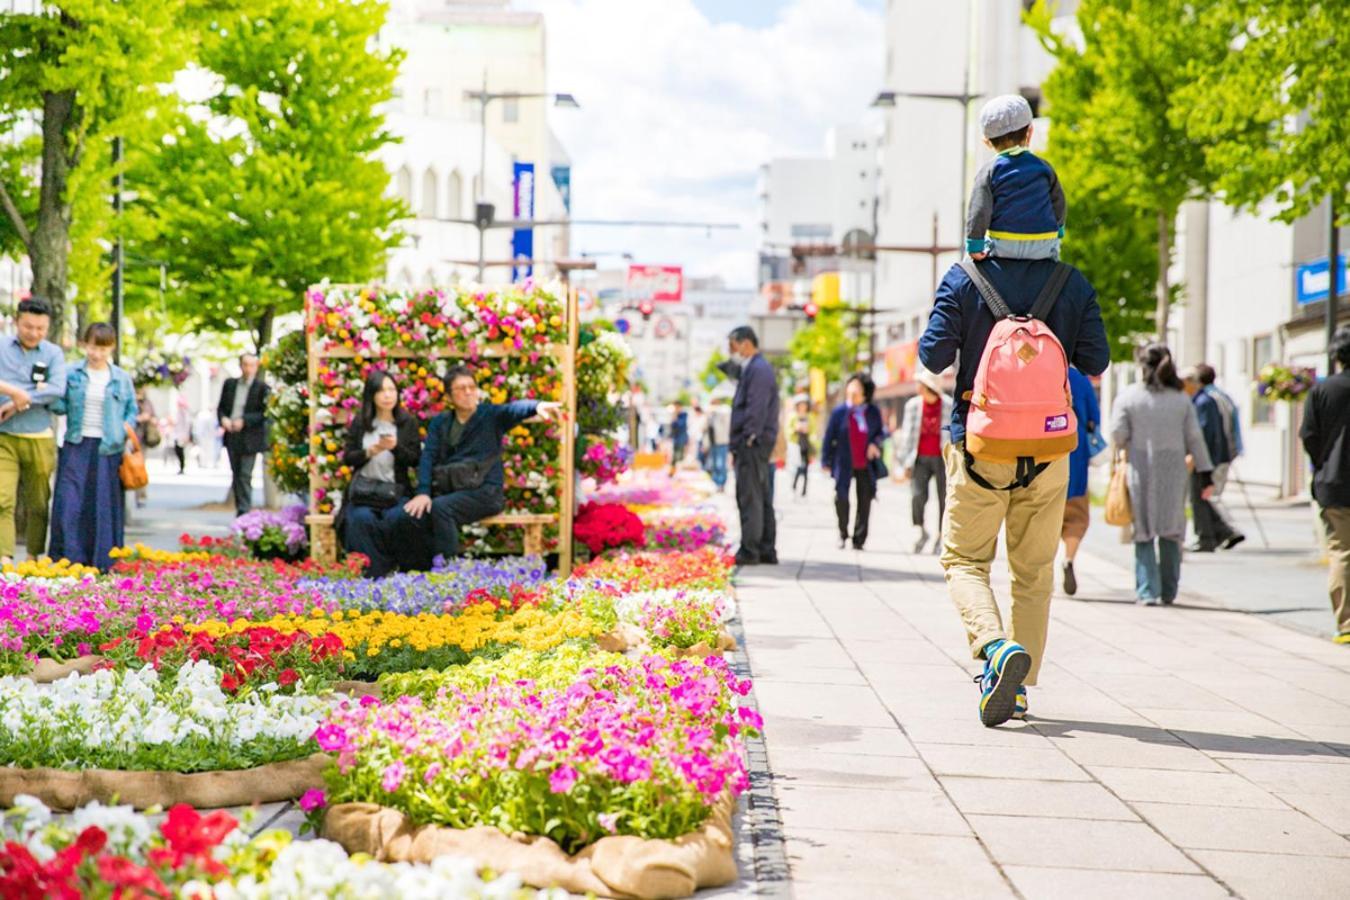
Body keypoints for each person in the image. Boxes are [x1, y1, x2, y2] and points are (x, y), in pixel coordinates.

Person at [919, 254, 1108, 727]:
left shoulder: (964, 279)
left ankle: (997, 647)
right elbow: (1096, 359)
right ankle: (1018, 692)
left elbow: (932, 355)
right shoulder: (1071, 280)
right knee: (1034, 571)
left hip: (981, 446)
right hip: (1048, 451)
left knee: (964, 560)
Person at [402, 365, 560, 559]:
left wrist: (536, 406)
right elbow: (428, 457)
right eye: (461, 389)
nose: (468, 392)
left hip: (486, 493)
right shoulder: (440, 423)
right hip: (452, 491)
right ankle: (415, 575)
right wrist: (423, 492)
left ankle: (445, 573)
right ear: (449, 397)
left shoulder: (490, 416)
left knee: (441, 508)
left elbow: (513, 409)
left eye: (472, 387)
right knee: (412, 514)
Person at [1111, 344, 1215, 608]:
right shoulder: (1181, 399)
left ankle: (1147, 591)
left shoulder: (1129, 397)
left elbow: (1117, 435)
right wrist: (1206, 473)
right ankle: (1169, 590)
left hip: (1141, 468)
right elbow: (1195, 438)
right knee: (1171, 529)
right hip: (1174, 471)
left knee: (1144, 529)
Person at [47, 323, 138, 570]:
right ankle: (67, 559)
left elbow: (132, 410)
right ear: (84, 344)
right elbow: (58, 404)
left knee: (103, 504)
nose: (97, 353)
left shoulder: (120, 377)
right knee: (69, 502)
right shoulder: (71, 372)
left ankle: (103, 561)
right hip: (76, 442)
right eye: (92, 347)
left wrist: (123, 430)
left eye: (103, 348)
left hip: (109, 448)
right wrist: (50, 392)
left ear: (112, 348)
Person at [337, 370, 424, 577]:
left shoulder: (407, 423)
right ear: (372, 395)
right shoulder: (361, 423)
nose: (387, 395)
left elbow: (415, 459)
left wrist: (395, 447)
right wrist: (371, 451)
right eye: (382, 390)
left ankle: (401, 571)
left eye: (391, 389)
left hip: (395, 492)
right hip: (364, 493)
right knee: (360, 519)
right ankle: (372, 574)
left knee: (400, 518)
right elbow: (348, 458)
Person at [0, 297, 67, 566]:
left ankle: (33, 557)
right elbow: (43, 390)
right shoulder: (2, 346)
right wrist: (14, 391)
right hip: (4, 435)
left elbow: (56, 389)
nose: (34, 333)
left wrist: (16, 402)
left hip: (39, 436)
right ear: (17, 322)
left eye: (41, 328)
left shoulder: (53, 354)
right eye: (29, 327)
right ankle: (4, 558)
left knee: (38, 503)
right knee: (2, 498)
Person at [966, 94, 1066, 262]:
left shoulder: (989, 171)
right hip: (1043, 244)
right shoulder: (1044, 167)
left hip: (1004, 244)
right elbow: (1058, 201)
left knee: (966, 265)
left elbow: (979, 209)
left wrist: (974, 245)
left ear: (987, 142)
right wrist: (1059, 230)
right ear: (1030, 132)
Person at [1300, 326, 1350, 644]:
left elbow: (1309, 435)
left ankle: (1346, 624)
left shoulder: (1322, 390)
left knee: (1342, 552)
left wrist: (1322, 464)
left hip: (1335, 481)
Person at [728, 326, 779, 566]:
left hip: (753, 442)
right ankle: (766, 548)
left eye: (733, 346)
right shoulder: (757, 368)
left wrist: (748, 436)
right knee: (761, 494)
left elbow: (755, 407)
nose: (732, 351)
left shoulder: (758, 369)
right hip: (756, 441)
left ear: (745, 343)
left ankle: (751, 549)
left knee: (751, 496)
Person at [1182, 364, 1245, 552]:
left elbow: (1204, 433)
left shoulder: (1203, 402)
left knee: (1199, 496)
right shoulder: (1208, 399)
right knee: (1202, 497)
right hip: (1210, 457)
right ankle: (1223, 532)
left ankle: (1208, 537)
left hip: (1206, 459)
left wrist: (1197, 457)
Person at [822, 374, 885, 550]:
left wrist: (874, 444)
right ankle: (842, 533)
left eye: (857, 388)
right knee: (841, 497)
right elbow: (829, 436)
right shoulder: (839, 412)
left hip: (865, 462)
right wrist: (825, 459)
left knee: (865, 500)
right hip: (843, 461)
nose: (852, 391)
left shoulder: (872, 412)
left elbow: (881, 433)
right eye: (851, 387)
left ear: (865, 393)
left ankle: (859, 539)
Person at [896, 369, 952, 554]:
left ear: (929, 387)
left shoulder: (948, 405)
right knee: (917, 496)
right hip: (918, 458)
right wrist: (904, 463)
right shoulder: (913, 405)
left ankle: (940, 536)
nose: (918, 387)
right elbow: (906, 435)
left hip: (942, 459)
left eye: (921, 384)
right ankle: (921, 530)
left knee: (945, 498)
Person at [1059, 366, 1101, 596]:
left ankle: (1040, 570)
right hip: (1076, 455)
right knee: (1076, 517)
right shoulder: (1081, 380)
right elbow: (1094, 420)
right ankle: (1068, 559)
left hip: (1044, 455)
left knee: (1043, 516)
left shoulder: (1041, 371)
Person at [216, 354, 269, 516]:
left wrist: (244, 421)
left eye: (252, 365)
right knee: (236, 474)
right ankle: (241, 507)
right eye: (245, 365)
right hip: (232, 435)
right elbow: (221, 408)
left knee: (245, 474)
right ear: (240, 366)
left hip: (250, 438)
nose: (248, 369)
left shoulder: (262, 388)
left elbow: (264, 413)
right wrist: (223, 419)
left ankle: (245, 511)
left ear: (257, 367)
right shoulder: (230, 384)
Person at [133, 386, 156, 508]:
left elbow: (151, 416)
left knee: (140, 468)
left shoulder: (147, 403)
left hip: (141, 440)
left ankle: (141, 495)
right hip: (128, 438)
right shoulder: (130, 399)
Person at [707, 397, 731, 492]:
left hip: (722, 442)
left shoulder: (723, 412)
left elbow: (726, 416)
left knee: (720, 463)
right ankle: (716, 482)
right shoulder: (710, 415)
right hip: (713, 442)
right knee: (714, 464)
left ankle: (721, 483)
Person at [790, 398, 812, 498]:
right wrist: (796, 429)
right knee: (799, 467)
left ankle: (804, 490)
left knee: (806, 468)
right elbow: (788, 431)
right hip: (797, 445)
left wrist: (808, 431)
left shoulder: (810, 418)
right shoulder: (794, 417)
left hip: (806, 445)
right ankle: (794, 484)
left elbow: (814, 432)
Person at [172, 392, 192, 475]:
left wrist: (186, 435)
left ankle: (182, 467)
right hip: (177, 434)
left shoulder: (184, 412)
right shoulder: (178, 412)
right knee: (177, 450)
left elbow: (187, 424)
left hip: (182, 435)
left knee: (180, 451)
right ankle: (181, 466)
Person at [667, 401, 688, 471]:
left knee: (679, 457)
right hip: (675, 439)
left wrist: (675, 418)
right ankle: (673, 471)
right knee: (674, 458)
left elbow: (681, 425)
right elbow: (672, 426)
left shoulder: (684, 415)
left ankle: (679, 472)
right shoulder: (675, 415)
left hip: (681, 439)